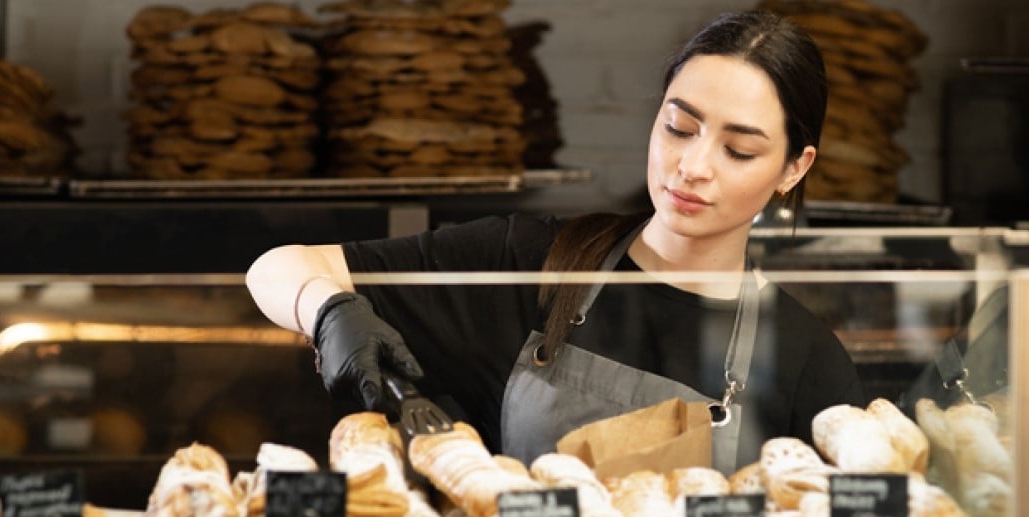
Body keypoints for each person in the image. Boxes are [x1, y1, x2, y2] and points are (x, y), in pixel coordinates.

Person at [247, 10, 866, 474]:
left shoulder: (809, 362)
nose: (692, 166)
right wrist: (328, 312)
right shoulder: (530, 265)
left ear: (793, 168)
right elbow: (276, 267)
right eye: (679, 127)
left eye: (739, 150)